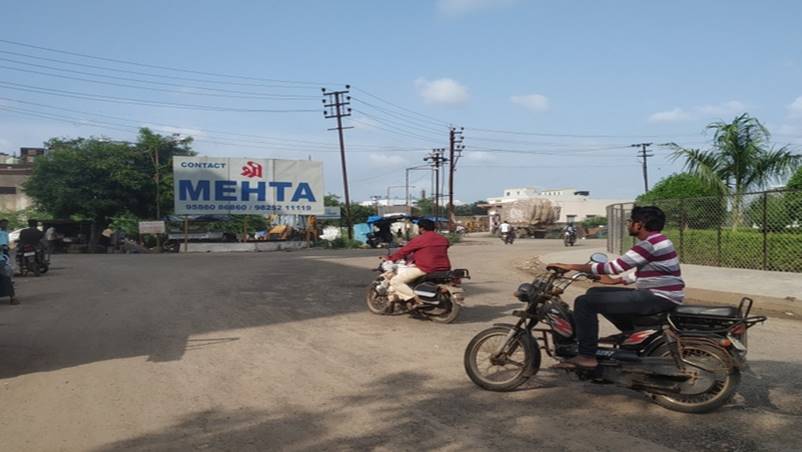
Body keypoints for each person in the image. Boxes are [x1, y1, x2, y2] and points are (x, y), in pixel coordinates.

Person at [547, 206, 684, 369]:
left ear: (639, 224)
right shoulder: (659, 241)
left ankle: (586, 355)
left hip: (657, 297)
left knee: (584, 302)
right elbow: (652, 271)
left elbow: (613, 267)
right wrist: (618, 281)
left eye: (630, 222)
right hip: (660, 294)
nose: (628, 225)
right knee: (595, 292)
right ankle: (630, 334)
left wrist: (570, 266)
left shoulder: (649, 244)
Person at [383, 218, 451, 306]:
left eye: (419, 228)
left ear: (421, 229)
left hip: (426, 268)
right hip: (445, 268)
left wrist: (390, 258)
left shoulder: (420, 239)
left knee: (395, 281)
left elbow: (404, 251)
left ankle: (414, 299)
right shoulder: (443, 239)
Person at [0, 219, 18, 304]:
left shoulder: (1, 234)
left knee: (5, 276)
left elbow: (3, 246)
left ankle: (13, 297)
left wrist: (5, 248)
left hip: (1, 259)